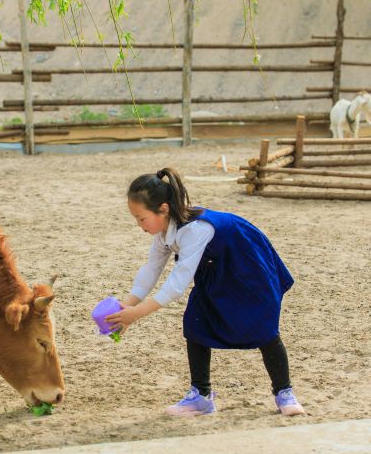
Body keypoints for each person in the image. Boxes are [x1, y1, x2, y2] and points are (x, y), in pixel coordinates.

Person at [106, 168, 305, 417]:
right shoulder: (163, 232)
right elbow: (151, 269)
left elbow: (176, 285)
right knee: (196, 323)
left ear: (164, 209)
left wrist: (136, 314)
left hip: (247, 266)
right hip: (214, 270)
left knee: (262, 326)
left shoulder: (194, 230)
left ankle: (284, 392)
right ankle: (200, 396)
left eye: (141, 218)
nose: (139, 225)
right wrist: (125, 306)